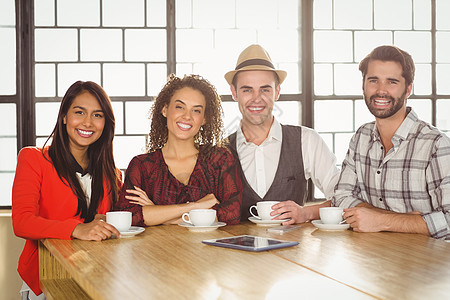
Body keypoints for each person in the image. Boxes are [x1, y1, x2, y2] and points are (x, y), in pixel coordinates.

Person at [12, 81, 122, 299]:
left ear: (105, 124)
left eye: (98, 115)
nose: (88, 122)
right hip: (46, 280)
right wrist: (77, 229)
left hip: (96, 281)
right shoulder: (33, 158)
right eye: (79, 112)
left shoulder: (113, 173)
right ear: (64, 116)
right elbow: (22, 222)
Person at [333, 45, 450, 240]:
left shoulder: (435, 145)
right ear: (363, 85)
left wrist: (382, 221)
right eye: (373, 80)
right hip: (370, 258)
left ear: (408, 89)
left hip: (425, 265)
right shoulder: (361, 137)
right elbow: (341, 197)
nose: (381, 90)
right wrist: (399, 220)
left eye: (392, 82)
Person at [224, 44, 340, 225]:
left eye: (265, 89)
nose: (256, 98)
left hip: (291, 251)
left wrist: (307, 212)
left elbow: (344, 197)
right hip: (235, 251)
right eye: (247, 89)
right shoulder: (220, 151)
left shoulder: (306, 140)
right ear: (234, 93)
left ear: (277, 92)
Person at [115, 74, 242, 226]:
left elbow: (232, 213)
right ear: (165, 109)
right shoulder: (142, 166)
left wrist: (157, 214)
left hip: (210, 249)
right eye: (180, 107)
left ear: (204, 119)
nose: (187, 116)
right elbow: (127, 217)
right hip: (156, 250)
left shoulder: (219, 159)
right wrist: (194, 206)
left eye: (196, 111)